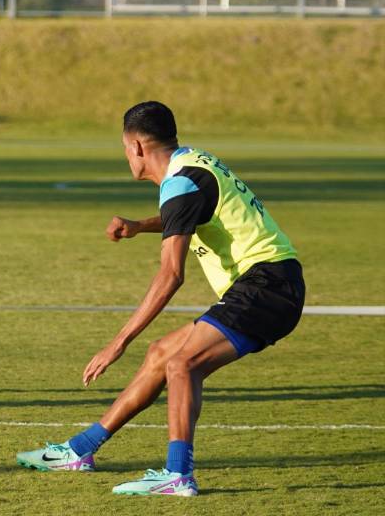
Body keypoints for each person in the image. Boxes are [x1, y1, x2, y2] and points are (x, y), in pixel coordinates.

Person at [16, 101, 305, 496]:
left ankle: (178, 475)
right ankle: (80, 451)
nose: (126, 157)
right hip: (269, 284)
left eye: (124, 149)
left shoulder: (180, 184)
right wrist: (140, 226)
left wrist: (118, 342)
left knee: (182, 364)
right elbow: (189, 214)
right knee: (160, 354)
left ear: (137, 146)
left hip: (266, 287)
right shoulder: (191, 164)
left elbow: (171, 275)